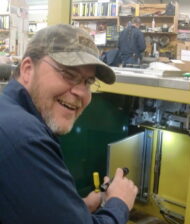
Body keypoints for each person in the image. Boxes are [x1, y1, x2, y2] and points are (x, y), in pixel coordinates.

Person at [0, 24, 138, 224]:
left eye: (88, 82)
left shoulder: (9, 113)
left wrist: (76, 207)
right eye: (68, 75)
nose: (81, 93)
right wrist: (119, 203)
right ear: (28, 70)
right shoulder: (24, 139)